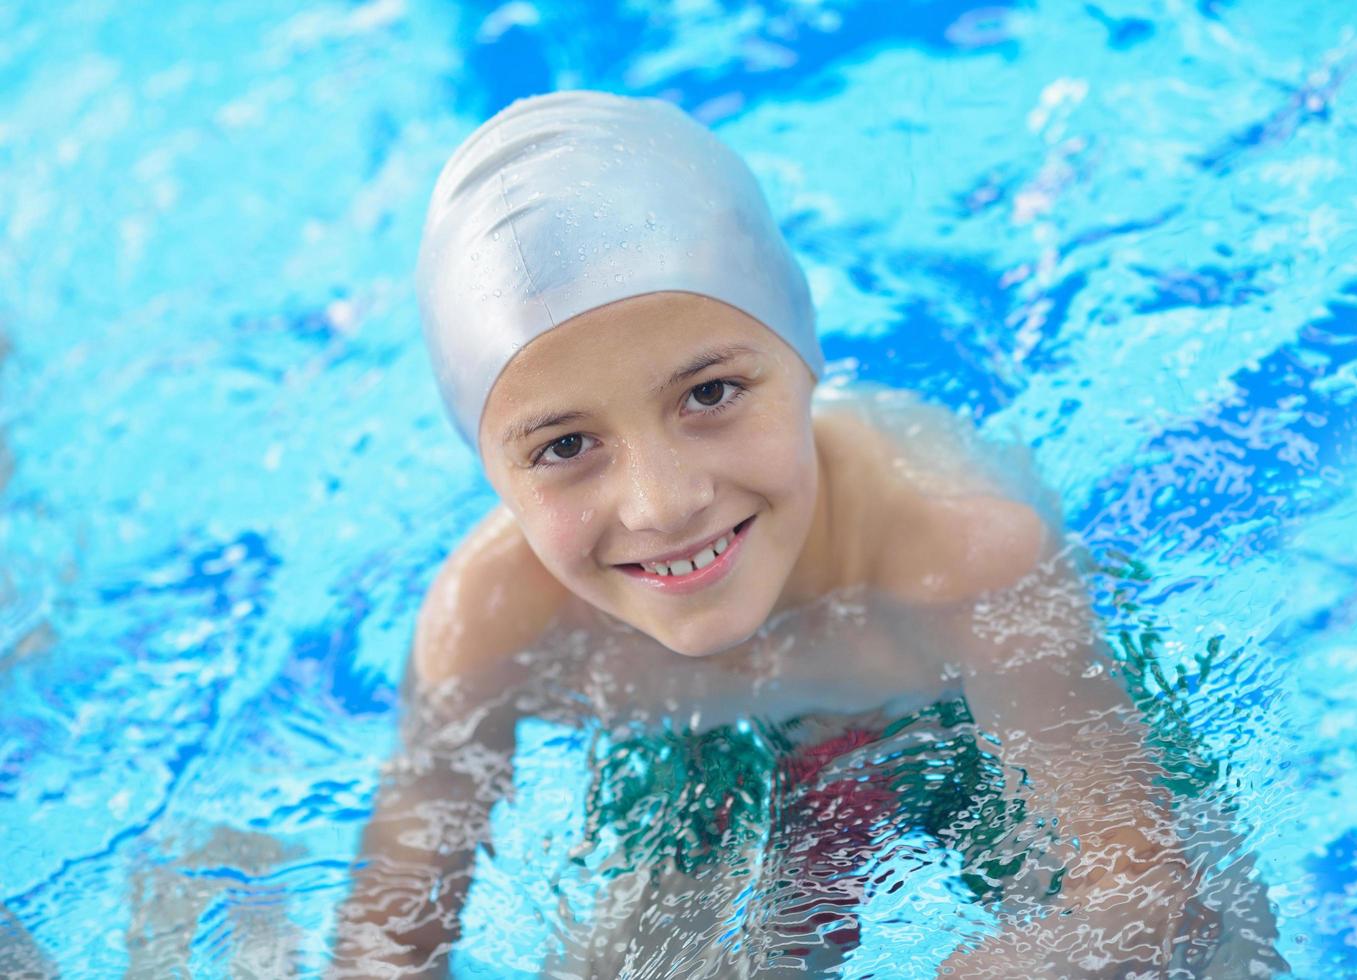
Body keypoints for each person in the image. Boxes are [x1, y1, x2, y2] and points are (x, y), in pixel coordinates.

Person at [328, 90, 1280, 978]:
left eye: (710, 394)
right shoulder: (494, 621)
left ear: (804, 361)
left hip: (958, 710)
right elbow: (385, 942)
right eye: (565, 445)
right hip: (702, 751)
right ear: (491, 475)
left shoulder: (961, 553)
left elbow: (1144, 893)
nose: (661, 504)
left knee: (1212, 950)